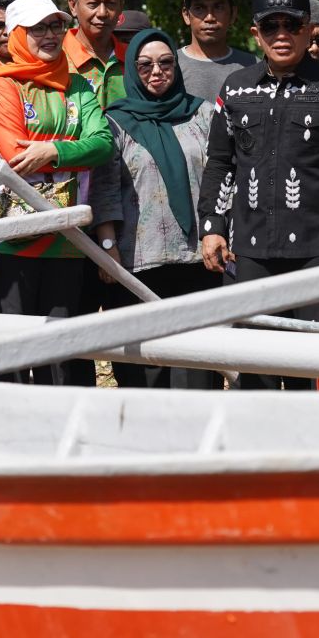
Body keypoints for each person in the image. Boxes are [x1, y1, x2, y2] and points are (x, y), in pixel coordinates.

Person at [197, 0, 319, 390]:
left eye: (290, 25)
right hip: (250, 250)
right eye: (269, 26)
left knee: (315, 365)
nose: (281, 34)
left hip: (318, 250)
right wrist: (212, 226)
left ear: (308, 31)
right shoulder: (236, 88)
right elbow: (220, 161)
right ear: (255, 33)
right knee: (256, 366)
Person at [0, 0, 113, 385]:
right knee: (10, 361)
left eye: (56, 25)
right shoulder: (1, 86)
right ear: (16, 34)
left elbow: (103, 143)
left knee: (62, 362)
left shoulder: (79, 85)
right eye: (38, 28)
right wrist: (72, 148)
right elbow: (15, 153)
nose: (50, 35)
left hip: (67, 242)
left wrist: (52, 148)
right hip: (11, 242)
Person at [91, 28, 222, 388]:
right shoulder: (114, 121)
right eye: (145, 65)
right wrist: (107, 247)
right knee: (143, 372)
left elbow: (221, 176)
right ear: (132, 71)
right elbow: (104, 190)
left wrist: (220, 231)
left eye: (165, 63)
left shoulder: (203, 114)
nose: (156, 71)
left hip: (198, 259)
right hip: (136, 263)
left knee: (197, 369)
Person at [177, 0, 256, 103]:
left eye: (218, 7)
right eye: (199, 8)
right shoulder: (168, 67)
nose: (209, 17)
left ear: (232, 14)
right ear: (186, 15)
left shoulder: (253, 66)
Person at [63, 0, 127, 107]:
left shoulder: (135, 59)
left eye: (110, 3)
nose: (102, 13)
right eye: (93, 4)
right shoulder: (55, 59)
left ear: (121, 7)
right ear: (73, 6)